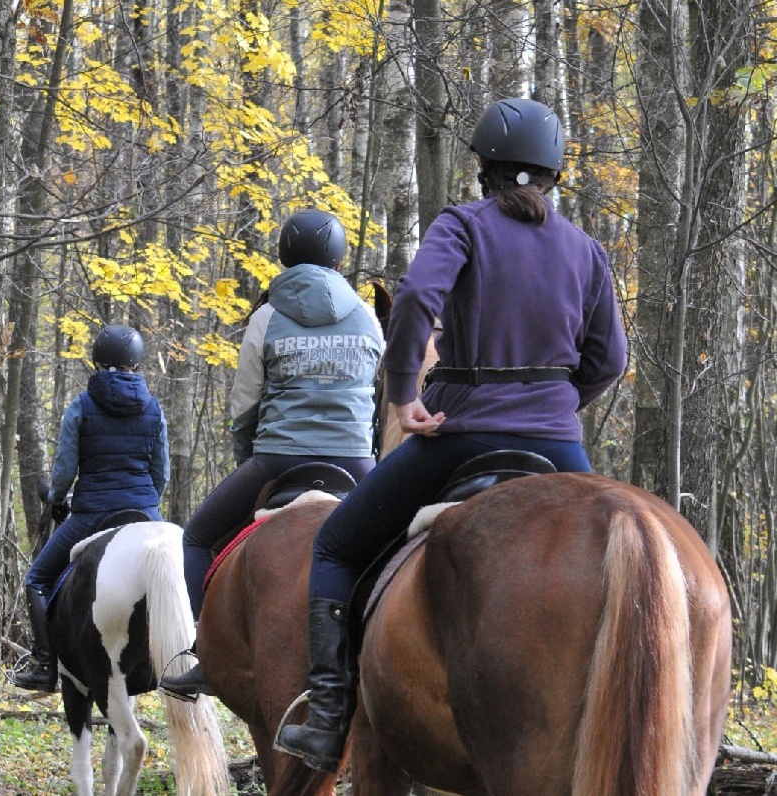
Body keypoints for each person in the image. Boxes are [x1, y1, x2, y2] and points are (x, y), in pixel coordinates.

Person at [275, 97, 629, 771]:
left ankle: (326, 719)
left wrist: (405, 394)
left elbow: (413, 300)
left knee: (338, 544)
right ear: (553, 173)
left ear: (484, 170)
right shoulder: (585, 250)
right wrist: (555, 402)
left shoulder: (462, 227)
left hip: (461, 432)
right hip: (558, 447)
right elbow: (609, 359)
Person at [157, 208, 385, 701]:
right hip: (355, 459)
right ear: (340, 260)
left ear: (284, 257)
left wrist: (249, 458)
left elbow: (245, 402)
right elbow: (375, 390)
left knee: (196, 536)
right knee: (401, 542)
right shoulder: (369, 316)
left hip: (280, 457)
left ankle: (204, 655)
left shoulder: (267, 315)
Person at [12, 324, 169, 692]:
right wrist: (147, 502)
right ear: (136, 363)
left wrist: (56, 499)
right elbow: (161, 472)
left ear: (97, 361)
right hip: (145, 511)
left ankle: (46, 665)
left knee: (37, 579)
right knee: (187, 574)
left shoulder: (82, 406)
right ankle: (190, 658)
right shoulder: (154, 409)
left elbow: (65, 471)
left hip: (94, 512)